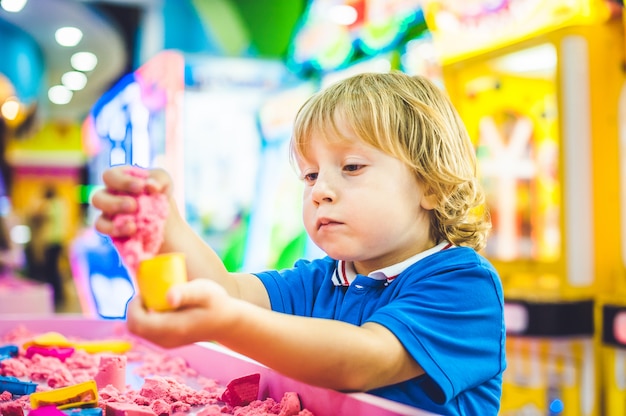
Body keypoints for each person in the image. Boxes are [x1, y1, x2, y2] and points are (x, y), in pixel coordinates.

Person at [92, 72, 506, 415]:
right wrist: (164, 223)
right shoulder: (321, 281)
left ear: (430, 185)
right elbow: (227, 290)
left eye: (351, 166)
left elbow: (363, 360)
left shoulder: (463, 284)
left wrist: (226, 322)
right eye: (310, 176)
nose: (320, 190)